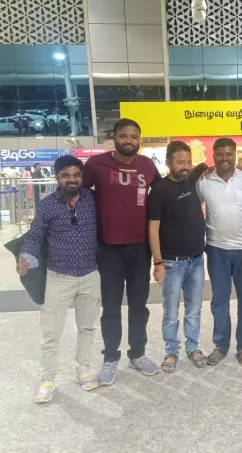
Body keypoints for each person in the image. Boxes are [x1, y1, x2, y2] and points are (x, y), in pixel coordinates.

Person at [83, 118, 162, 385]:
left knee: (139, 306)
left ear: (140, 139)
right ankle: (110, 358)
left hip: (139, 249)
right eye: (124, 136)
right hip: (109, 249)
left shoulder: (147, 166)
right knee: (111, 307)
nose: (129, 140)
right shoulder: (96, 164)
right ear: (114, 137)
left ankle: (137, 353)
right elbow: (79, 195)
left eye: (133, 136)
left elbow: (163, 193)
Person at [17, 155, 100, 403]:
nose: (71, 179)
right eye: (66, 175)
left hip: (90, 274)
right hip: (59, 277)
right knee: (51, 332)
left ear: (81, 177)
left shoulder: (93, 199)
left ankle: (83, 370)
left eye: (76, 175)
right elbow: (35, 235)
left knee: (87, 328)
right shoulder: (47, 205)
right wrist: (26, 257)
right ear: (57, 178)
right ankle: (48, 379)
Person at [148, 141, 208, 373]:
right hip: (172, 263)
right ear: (168, 163)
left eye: (188, 162)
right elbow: (153, 229)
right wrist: (158, 262)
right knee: (171, 312)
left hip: (197, 260)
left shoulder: (192, 180)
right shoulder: (159, 190)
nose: (185, 166)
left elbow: (209, 166)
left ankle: (193, 348)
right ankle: (171, 351)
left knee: (194, 310)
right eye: (180, 162)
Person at [197, 137, 242, 367]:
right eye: (220, 154)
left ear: (235, 154)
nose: (225, 158)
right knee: (219, 301)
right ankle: (221, 345)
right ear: (213, 155)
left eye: (229, 153)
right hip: (216, 249)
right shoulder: (203, 181)